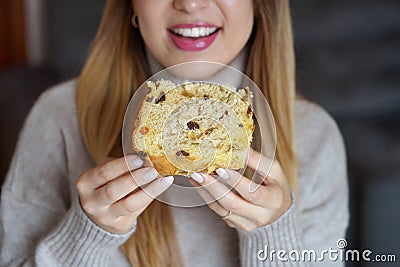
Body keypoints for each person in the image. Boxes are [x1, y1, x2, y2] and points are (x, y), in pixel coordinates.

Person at [0, 0, 349, 266]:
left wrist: (273, 237)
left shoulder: (313, 138)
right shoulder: (58, 116)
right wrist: (87, 235)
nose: (190, 3)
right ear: (132, 7)